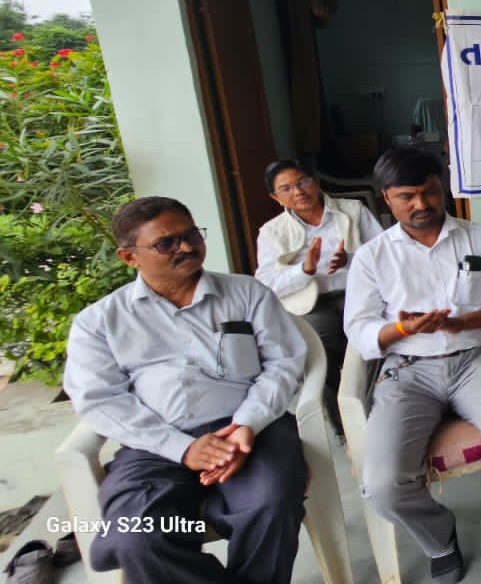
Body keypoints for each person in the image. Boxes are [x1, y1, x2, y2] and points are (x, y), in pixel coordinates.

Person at [63, 197, 308, 583]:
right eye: (167, 243)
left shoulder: (246, 293)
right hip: (154, 444)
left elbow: (284, 363)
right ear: (129, 257)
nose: (187, 247)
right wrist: (182, 448)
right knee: (137, 538)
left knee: (270, 502)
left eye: (192, 235)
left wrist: (247, 424)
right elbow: (99, 399)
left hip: (250, 432)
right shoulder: (100, 322)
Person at [343, 147, 481, 584]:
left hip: (477, 359)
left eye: (429, 192)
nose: (421, 204)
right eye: (406, 196)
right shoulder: (372, 257)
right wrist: (402, 329)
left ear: (442, 187)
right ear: (386, 198)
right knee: (383, 485)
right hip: (408, 370)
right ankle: (439, 536)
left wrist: (466, 321)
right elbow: (358, 329)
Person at [254, 159, 383, 436]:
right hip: (311, 305)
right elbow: (267, 284)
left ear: (316, 182)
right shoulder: (271, 232)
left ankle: (380, 416)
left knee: (371, 346)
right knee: (322, 355)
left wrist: (351, 260)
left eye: (302, 182)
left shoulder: (352, 210)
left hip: (357, 295)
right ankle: (347, 429)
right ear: (275, 198)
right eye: (286, 188)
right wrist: (304, 270)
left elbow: (384, 255)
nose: (298, 191)